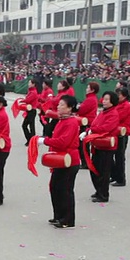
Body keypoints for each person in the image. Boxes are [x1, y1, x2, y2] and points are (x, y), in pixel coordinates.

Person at [38, 95, 80, 228]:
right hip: (59, 159)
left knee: (65, 190)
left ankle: (67, 219)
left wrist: (45, 140)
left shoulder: (71, 122)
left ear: (70, 108)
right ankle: (58, 215)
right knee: (55, 188)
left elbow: (63, 142)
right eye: (59, 104)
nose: (58, 107)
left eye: (62, 105)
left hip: (68, 160)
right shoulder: (62, 120)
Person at [88, 91, 120, 203]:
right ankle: (98, 190)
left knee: (103, 171)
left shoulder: (114, 113)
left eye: (107, 99)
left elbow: (106, 128)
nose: (104, 101)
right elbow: (94, 124)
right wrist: (91, 130)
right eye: (104, 99)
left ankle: (103, 194)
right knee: (95, 169)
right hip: (98, 144)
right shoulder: (103, 112)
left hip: (107, 145)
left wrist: (93, 130)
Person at [111, 88, 130, 187]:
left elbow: (118, 117)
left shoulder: (126, 105)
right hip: (115, 132)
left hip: (122, 133)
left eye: (119, 94)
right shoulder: (118, 104)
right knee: (113, 156)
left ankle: (121, 179)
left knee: (119, 157)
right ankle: (115, 175)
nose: (117, 96)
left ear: (124, 96)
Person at [77, 82, 99, 168]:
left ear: (92, 90)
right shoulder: (91, 98)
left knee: (83, 144)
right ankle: (85, 162)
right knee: (83, 144)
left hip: (87, 122)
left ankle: (85, 162)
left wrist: (78, 108)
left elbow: (82, 110)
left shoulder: (90, 99)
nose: (86, 89)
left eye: (88, 87)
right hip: (87, 121)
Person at [21, 79, 40, 146]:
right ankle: (31, 140)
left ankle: (30, 140)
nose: (28, 84)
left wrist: (21, 101)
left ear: (33, 84)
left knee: (25, 126)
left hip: (31, 110)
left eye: (30, 83)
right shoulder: (31, 91)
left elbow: (28, 100)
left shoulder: (33, 92)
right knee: (31, 126)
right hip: (30, 110)